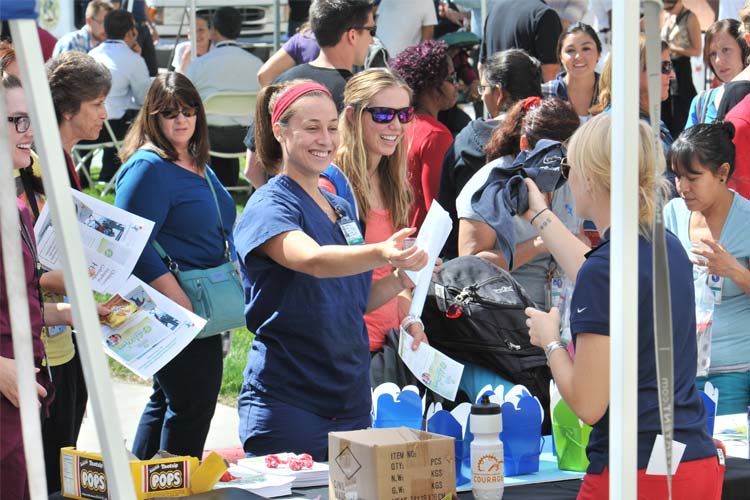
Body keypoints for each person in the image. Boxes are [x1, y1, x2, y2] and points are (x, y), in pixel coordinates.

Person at [523, 112, 722, 499]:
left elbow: (589, 404)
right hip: (691, 459)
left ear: (592, 176)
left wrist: (550, 344)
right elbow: (602, 273)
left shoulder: (607, 268)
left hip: (633, 471)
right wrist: (541, 218)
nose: (568, 178)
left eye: (569, 166)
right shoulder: (666, 245)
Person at [234, 80, 428, 461]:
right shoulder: (269, 204)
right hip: (290, 404)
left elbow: (352, 299)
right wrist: (383, 252)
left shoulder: (339, 205)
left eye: (331, 127)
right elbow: (312, 260)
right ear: (280, 131)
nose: (325, 138)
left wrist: (402, 277)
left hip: (350, 399)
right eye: (311, 128)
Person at [114, 73, 236, 460]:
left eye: (188, 111)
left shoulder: (195, 160)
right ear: (152, 117)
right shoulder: (149, 167)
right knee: (192, 405)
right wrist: (177, 297)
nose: (181, 120)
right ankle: (169, 489)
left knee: (170, 400)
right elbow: (130, 243)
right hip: (175, 305)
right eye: (169, 113)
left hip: (201, 301)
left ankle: (141, 484)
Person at [0, 73, 77, 500]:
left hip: (25, 399)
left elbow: (13, 302)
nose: (30, 131)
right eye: (17, 120)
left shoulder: (17, 207)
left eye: (32, 118)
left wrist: (68, 313)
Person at [43, 52, 111, 491]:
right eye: (97, 104)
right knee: (51, 460)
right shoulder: (40, 164)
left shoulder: (64, 159)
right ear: (69, 110)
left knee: (66, 448)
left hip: (63, 327)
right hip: (44, 335)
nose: (107, 113)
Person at [319, 68, 421, 354]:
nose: (397, 126)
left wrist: (411, 319)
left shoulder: (393, 182)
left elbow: (392, 272)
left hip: (389, 344)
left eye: (403, 115)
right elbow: (330, 281)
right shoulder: (330, 185)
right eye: (383, 115)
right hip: (346, 347)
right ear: (352, 116)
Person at [457, 97, 581, 308]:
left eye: (570, 156)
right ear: (524, 145)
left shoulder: (568, 176)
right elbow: (471, 266)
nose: (562, 165)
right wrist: (540, 244)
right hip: (505, 319)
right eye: (553, 156)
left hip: (563, 314)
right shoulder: (488, 186)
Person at [664, 122, 750, 416]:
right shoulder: (671, 214)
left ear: (722, 173)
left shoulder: (747, 220)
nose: (683, 188)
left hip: (732, 371)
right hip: (679, 371)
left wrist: (735, 271)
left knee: (728, 457)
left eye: (694, 178)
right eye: (678, 177)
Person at [243, 0, 376, 189]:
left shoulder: (281, 83)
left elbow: (252, 169)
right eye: (371, 30)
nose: (372, 40)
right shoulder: (356, 95)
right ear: (352, 35)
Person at [438, 48, 542, 259]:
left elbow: (445, 212)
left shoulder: (469, 140)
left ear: (499, 92)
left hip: (480, 272)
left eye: (483, 88)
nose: (482, 94)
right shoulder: (553, 137)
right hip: (550, 268)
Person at [186, 7, 263, 188]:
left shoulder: (199, 64)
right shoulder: (257, 65)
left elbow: (184, 100)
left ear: (213, 31)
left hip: (208, 138)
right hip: (248, 139)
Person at [390, 39, 457, 230]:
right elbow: (438, 208)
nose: (457, 85)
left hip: (398, 240)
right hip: (423, 247)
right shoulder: (436, 135)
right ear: (432, 84)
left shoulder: (398, 125)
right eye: (451, 78)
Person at [88, 9, 150, 184]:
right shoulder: (134, 60)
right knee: (135, 117)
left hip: (85, 125)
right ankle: (114, 175)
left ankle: (92, 176)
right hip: (113, 129)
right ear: (132, 32)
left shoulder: (91, 55)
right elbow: (143, 99)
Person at [47, 51, 112, 191]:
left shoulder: (56, 156)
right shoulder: (48, 166)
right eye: (97, 104)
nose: (104, 115)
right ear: (67, 109)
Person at [685, 19, 749, 127]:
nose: (718, 61)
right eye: (712, 54)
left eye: (726, 50)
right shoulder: (701, 103)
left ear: (743, 48)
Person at [479, 0, 562, 82]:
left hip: (496, 91)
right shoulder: (545, 14)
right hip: (529, 93)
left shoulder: (494, 11)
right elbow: (551, 71)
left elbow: (481, 67)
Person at [542, 22, 601, 121]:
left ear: (598, 54)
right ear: (560, 57)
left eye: (586, 49)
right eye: (570, 50)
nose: (578, 57)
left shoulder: (612, 92)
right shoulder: (545, 93)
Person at [661, 0, 701, 137]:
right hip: (666, 66)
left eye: (670, 7)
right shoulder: (667, 16)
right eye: (665, 8)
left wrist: (671, 48)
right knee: (664, 105)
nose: (668, 10)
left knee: (681, 106)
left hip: (681, 67)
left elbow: (697, 50)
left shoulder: (690, 17)